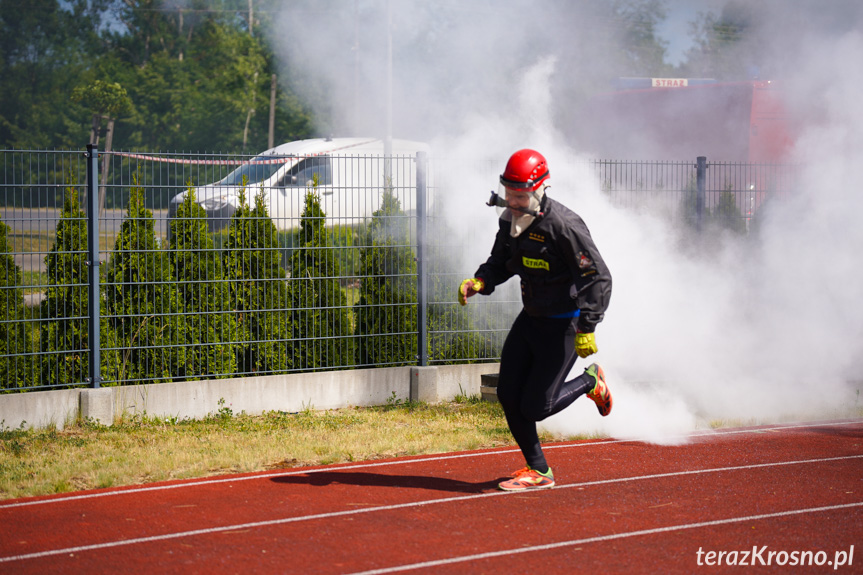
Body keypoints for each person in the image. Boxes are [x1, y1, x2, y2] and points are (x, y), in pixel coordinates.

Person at [458, 148, 613, 491]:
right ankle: (539, 471)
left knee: (536, 408)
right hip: (531, 318)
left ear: (540, 189)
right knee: (508, 394)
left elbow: (598, 278)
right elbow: (500, 261)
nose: (512, 202)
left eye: (520, 195)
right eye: (508, 193)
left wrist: (588, 326)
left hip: (565, 324)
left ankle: (591, 380)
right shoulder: (509, 219)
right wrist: (480, 282)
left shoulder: (564, 226)